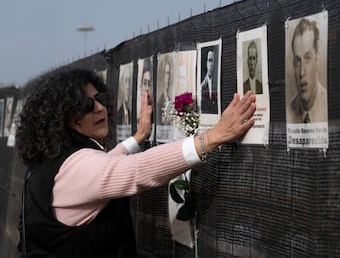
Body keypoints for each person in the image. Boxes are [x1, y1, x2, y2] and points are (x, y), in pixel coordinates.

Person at [15, 68, 256, 257]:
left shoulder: (55, 161)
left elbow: (103, 169)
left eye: (99, 98)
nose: (99, 108)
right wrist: (212, 138)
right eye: (86, 105)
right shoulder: (76, 165)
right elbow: (136, 171)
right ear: (64, 118)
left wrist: (138, 138)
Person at [286, 18, 328, 124]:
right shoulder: (288, 111)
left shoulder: (329, 105)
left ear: (317, 58)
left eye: (307, 58)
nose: (301, 73)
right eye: (297, 62)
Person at [200, 49, 218, 114]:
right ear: (206, 63)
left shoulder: (216, 82)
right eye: (209, 61)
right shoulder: (203, 85)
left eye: (212, 61)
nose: (210, 64)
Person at [157, 59, 172, 124]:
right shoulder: (159, 102)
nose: (167, 77)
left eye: (168, 73)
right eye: (166, 73)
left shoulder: (170, 99)